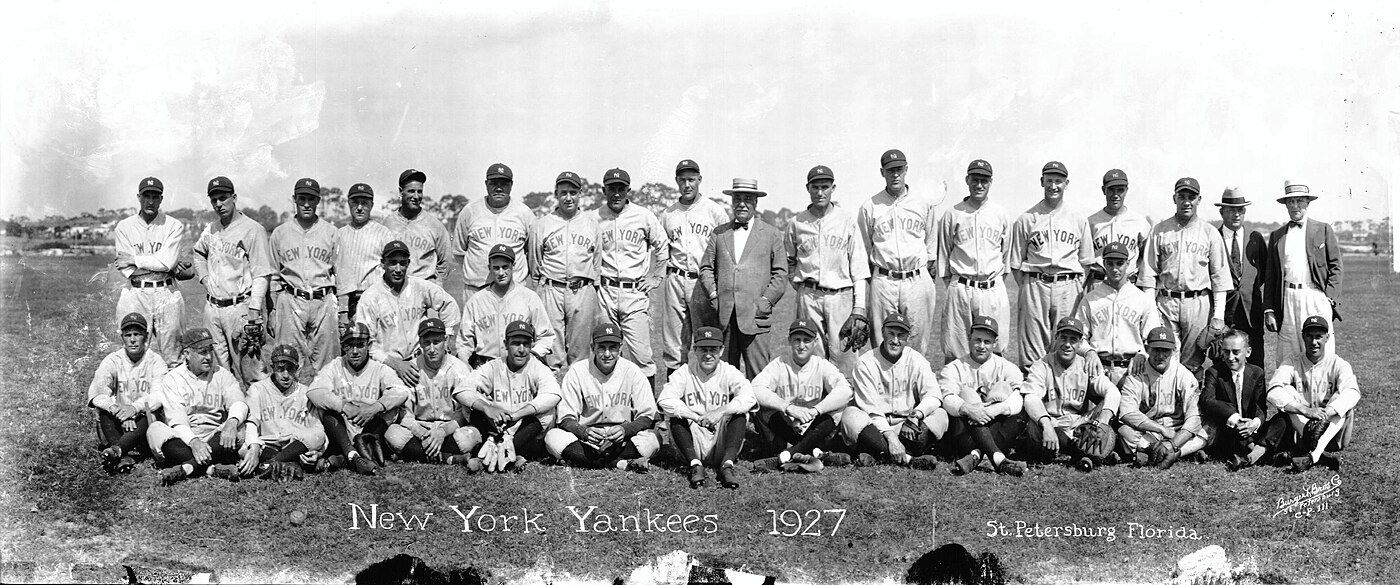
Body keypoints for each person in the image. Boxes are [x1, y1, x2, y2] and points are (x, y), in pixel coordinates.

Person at [1138, 177, 1231, 376]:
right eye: (1182, 196)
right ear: (1174, 198)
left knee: (1193, 362)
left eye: (1192, 196)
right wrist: (1150, 313)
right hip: (1166, 301)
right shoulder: (1160, 230)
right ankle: (1166, 406)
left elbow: (1220, 278)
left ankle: (1190, 405)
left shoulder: (1210, 232)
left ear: (1199, 199)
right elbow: (1148, 275)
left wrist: (1218, 316)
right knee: (1165, 356)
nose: (1187, 201)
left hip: (1198, 302)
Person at [1009, 161, 1095, 369]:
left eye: (1058, 181)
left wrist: (1072, 283)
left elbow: (1086, 262)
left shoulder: (1077, 218)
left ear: (1067, 183)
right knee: (1032, 348)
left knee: (1066, 341)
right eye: (1049, 181)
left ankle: (1062, 396)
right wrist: (1031, 284)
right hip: (1035, 284)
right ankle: (1033, 396)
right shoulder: (1026, 218)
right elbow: (1015, 263)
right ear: (1042, 182)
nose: (1053, 186)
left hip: (1068, 284)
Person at [785, 165, 870, 373]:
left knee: (844, 354)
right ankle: (816, 401)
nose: (820, 192)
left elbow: (858, 269)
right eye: (815, 187)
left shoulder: (847, 221)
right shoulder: (796, 223)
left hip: (840, 296)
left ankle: (846, 402)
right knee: (812, 354)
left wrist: (859, 308)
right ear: (808, 188)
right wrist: (803, 289)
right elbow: (790, 262)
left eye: (825, 186)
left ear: (833, 188)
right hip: (808, 296)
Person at [700, 178, 787, 378]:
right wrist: (714, 295)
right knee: (724, 375)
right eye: (737, 198)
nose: (742, 203)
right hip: (725, 318)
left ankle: (761, 410)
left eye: (747, 199)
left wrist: (766, 301)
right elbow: (706, 267)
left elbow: (781, 273)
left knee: (759, 375)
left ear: (755, 202)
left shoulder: (771, 234)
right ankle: (729, 410)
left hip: (756, 318)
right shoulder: (719, 233)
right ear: (731, 201)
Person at [192, 176, 275, 385]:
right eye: (214, 200)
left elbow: (262, 273)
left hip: (240, 308)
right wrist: (204, 278)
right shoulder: (211, 229)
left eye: (223, 198)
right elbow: (198, 253)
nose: (219, 204)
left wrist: (254, 310)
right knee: (218, 372)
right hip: (213, 308)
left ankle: (258, 416)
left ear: (234, 197)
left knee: (251, 370)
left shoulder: (253, 229)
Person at [546, 322, 660, 472]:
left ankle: (583, 460)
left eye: (612, 347)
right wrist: (583, 432)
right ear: (593, 348)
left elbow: (647, 416)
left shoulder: (632, 371)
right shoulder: (577, 371)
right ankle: (620, 463)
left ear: (620, 348)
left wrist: (626, 430)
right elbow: (566, 418)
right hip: (587, 440)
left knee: (653, 439)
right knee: (552, 437)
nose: (607, 354)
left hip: (621, 439)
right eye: (602, 347)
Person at [857, 149, 939, 355]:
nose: (895, 174)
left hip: (916, 278)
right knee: (882, 340)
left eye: (899, 170)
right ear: (882, 172)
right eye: (890, 170)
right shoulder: (870, 206)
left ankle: (914, 383)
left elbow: (931, 248)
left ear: (906, 170)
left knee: (917, 342)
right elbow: (865, 250)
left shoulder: (923, 203)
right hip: (884, 279)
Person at [452, 320, 563, 472]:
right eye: (516, 343)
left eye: (526, 344)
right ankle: (510, 455)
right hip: (496, 426)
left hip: (524, 429)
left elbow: (553, 394)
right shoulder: (494, 366)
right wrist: (487, 408)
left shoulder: (538, 367)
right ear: (505, 344)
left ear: (532, 345)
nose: (522, 349)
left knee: (547, 413)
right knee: (470, 404)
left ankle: (488, 455)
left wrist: (518, 414)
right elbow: (462, 390)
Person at [595, 168, 669, 388]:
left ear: (628, 190)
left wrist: (656, 276)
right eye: (611, 189)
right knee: (606, 351)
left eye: (621, 189)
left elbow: (662, 246)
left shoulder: (643, 215)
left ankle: (647, 410)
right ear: (604, 190)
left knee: (641, 355)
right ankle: (610, 405)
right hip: (605, 292)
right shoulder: (594, 217)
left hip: (634, 292)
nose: (616, 193)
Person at [145, 328, 248, 485]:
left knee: (239, 427)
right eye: (202, 352)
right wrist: (194, 442)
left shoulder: (222, 374)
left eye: (210, 351)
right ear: (187, 354)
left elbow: (238, 402)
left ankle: (187, 468)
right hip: (185, 440)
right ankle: (212, 468)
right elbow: (177, 422)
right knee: (155, 430)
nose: (208, 357)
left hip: (216, 436)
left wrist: (232, 423)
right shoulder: (173, 379)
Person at [840, 313, 944, 469]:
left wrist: (916, 415)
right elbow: (870, 409)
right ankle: (909, 459)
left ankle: (877, 453)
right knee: (850, 416)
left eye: (901, 335)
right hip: (875, 427)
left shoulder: (917, 360)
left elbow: (934, 395)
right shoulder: (866, 362)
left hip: (906, 425)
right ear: (882, 332)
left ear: (907, 338)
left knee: (941, 415)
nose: (895, 340)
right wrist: (891, 439)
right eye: (891, 334)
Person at [750, 319, 855, 473]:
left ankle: (787, 455)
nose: (801, 345)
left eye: (807, 340)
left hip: (813, 425)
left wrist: (816, 410)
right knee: (760, 407)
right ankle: (816, 453)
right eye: (797, 340)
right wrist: (788, 407)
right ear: (789, 341)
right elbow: (756, 388)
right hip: (786, 424)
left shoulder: (821, 364)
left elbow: (846, 390)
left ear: (815, 342)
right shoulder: (779, 363)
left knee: (838, 409)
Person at [658, 327, 757, 489]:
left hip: (721, 438)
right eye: (703, 349)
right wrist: (694, 416)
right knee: (676, 415)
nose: (708, 354)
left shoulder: (729, 371)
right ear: (695, 350)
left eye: (713, 349)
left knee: (739, 413)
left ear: (721, 350)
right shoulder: (684, 372)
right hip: (693, 439)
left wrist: (721, 411)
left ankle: (727, 464)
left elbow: (749, 397)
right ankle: (695, 465)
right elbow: (665, 399)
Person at [306, 323, 411, 476]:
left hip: (369, 429)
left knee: (392, 408)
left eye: (360, 345)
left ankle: (346, 457)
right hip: (342, 430)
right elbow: (313, 391)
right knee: (325, 409)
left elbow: (401, 391)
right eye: (350, 346)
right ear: (343, 347)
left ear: (369, 345)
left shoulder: (379, 368)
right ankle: (352, 454)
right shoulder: (335, 366)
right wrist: (343, 406)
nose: (355, 351)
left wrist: (375, 407)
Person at [1021, 317, 1120, 472]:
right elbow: (1030, 398)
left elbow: (1113, 391)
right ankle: (1083, 453)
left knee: (1107, 404)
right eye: (1063, 338)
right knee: (1034, 425)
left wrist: (1104, 419)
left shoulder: (1086, 365)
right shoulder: (1042, 365)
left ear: (1080, 343)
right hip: (1052, 424)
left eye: (1073, 339)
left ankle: (1076, 450)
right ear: (1055, 338)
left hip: (1079, 425)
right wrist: (1046, 424)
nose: (1067, 344)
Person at [937, 159, 1011, 364]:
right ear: (967, 180)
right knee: (955, 350)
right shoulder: (952, 214)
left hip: (992, 288)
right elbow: (944, 257)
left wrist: (991, 282)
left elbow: (1006, 257)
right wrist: (959, 285)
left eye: (984, 180)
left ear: (991, 182)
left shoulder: (1001, 214)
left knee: (993, 348)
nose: (979, 185)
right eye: (975, 179)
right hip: (961, 287)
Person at [355, 240, 460, 386]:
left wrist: (447, 337)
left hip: (420, 362)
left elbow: (448, 304)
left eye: (402, 263)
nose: (398, 269)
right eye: (392, 262)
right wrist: (396, 364)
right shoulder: (370, 297)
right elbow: (366, 343)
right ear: (382, 263)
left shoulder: (419, 286)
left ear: (408, 264)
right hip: (387, 366)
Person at [660, 159, 729, 378]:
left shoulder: (714, 211)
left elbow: (726, 250)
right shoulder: (668, 214)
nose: (687, 185)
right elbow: (662, 250)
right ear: (676, 182)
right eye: (682, 180)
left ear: (700, 180)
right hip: (675, 278)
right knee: (674, 343)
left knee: (707, 338)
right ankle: (674, 398)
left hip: (703, 282)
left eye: (691, 179)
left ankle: (708, 392)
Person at [527, 171, 602, 369]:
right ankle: (554, 397)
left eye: (573, 192)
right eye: (563, 193)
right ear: (556, 194)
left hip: (582, 289)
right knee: (552, 349)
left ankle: (577, 397)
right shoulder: (542, 224)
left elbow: (596, 262)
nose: (568, 198)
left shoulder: (591, 223)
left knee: (581, 353)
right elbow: (535, 264)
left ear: (580, 194)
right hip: (551, 289)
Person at [1262, 181, 1343, 363]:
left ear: (1307, 203)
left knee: (1320, 350)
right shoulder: (1277, 235)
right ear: (1286, 205)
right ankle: (1288, 391)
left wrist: (1329, 297)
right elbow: (1271, 276)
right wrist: (1269, 309)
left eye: (1299, 201)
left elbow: (1336, 266)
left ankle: (1322, 390)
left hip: (1315, 296)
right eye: (1291, 202)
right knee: (1288, 353)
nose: (1295, 206)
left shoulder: (1322, 229)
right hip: (1287, 299)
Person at [1264, 316, 1357, 473]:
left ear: (1327, 337)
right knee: (1287, 390)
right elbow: (1273, 390)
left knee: (1342, 398)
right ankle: (1316, 456)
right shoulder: (1293, 361)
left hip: (1332, 434)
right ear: (1303, 337)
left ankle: (1315, 453)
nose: (1314, 342)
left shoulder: (1338, 363)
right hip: (1303, 431)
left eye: (1318, 337)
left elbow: (1353, 392)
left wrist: (1327, 412)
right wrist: (1304, 409)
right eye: (1309, 336)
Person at [269, 178, 342, 379]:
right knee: (287, 361)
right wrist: (273, 309)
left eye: (311, 199)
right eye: (302, 199)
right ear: (294, 199)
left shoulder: (331, 232)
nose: (307, 204)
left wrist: (342, 310)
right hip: (291, 300)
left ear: (318, 200)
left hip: (323, 300)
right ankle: (291, 407)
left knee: (329, 364)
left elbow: (341, 275)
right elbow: (274, 275)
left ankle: (327, 408)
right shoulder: (280, 233)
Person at [938, 316, 1028, 476]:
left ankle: (976, 455)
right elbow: (947, 399)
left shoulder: (1006, 366)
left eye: (987, 342)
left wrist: (994, 410)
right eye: (977, 340)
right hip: (964, 435)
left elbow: (1018, 399)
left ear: (995, 343)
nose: (981, 346)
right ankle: (998, 458)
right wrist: (969, 409)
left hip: (999, 430)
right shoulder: (954, 367)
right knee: (966, 395)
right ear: (969, 339)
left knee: (1004, 390)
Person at [383, 318, 478, 467]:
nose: (432, 349)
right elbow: (404, 412)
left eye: (436, 342)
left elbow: (464, 412)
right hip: (419, 427)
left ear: (445, 341)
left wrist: (443, 432)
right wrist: (421, 433)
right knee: (393, 434)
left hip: (449, 429)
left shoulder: (459, 368)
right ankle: (448, 457)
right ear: (420, 343)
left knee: (470, 437)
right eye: (427, 343)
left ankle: (416, 454)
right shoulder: (411, 368)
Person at [113, 177, 186, 366]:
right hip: (135, 292)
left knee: (173, 354)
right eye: (146, 196)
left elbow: (168, 263)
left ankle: (174, 394)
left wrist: (135, 259)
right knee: (134, 351)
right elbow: (126, 269)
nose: (150, 201)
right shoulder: (124, 227)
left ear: (161, 199)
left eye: (155, 196)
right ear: (139, 197)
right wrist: (158, 263)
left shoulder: (173, 225)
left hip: (166, 293)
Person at [1116, 326, 1207, 469]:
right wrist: (1160, 429)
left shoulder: (1183, 374)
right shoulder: (1137, 373)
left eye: (1165, 350)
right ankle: (1175, 451)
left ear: (1173, 351)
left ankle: (1169, 452)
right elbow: (1127, 413)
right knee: (1124, 432)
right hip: (1151, 430)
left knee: (1210, 429)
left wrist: (1174, 442)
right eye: (1156, 349)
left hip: (1178, 429)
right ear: (1147, 349)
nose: (1161, 355)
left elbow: (1194, 417)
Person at [89, 313, 168, 474]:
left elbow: (159, 395)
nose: (132, 339)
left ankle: (117, 450)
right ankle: (122, 454)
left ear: (146, 336)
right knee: (104, 411)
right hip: (119, 421)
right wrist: (116, 409)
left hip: (143, 424)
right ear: (122, 338)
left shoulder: (156, 360)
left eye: (137, 334)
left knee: (150, 413)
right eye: (128, 335)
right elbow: (96, 393)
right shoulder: (113, 360)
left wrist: (134, 409)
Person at [237, 344, 328, 481]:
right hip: (265, 447)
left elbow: (318, 431)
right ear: (272, 367)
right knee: (242, 442)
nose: (285, 375)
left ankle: (270, 464)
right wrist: (254, 449)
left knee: (317, 435)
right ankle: (289, 463)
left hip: (295, 446)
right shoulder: (258, 389)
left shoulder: (305, 392)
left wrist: (319, 453)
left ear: (297, 370)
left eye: (290, 369)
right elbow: (251, 423)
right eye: (280, 369)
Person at [457, 244, 554, 368]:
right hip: (485, 365)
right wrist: (465, 365)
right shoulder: (476, 301)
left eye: (505, 267)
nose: (501, 273)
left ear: (513, 267)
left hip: (521, 365)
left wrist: (533, 356)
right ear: (489, 268)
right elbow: (464, 343)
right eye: (496, 268)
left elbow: (546, 336)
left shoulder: (529, 297)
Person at [1078, 242, 1161, 386]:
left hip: (1133, 370)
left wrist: (1142, 354)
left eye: (1119, 263)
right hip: (1099, 369)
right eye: (1110, 264)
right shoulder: (1090, 299)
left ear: (1127, 264)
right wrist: (1088, 352)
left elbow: (1153, 339)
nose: (1115, 269)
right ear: (1104, 264)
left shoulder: (1141, 299)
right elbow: (1078, 337)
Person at [451, 163, 535, 298]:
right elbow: (459, 251)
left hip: (514, 291)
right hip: (476, 289)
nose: (499, 188)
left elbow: (532, 253)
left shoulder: (524, 213)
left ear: (511, 185)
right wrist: (476, 272)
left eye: (504, 183)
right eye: (494, 183)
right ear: (486, 184)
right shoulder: (470, 211)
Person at [1198, 330, 1268, 471]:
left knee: (1280, 421)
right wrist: (1235, 418)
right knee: (1227, 413)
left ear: (1248, 352)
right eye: (1226, 352)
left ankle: (1253, 451)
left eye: (1236, 352)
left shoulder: (1257, 373)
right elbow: (1206, 400)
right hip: (1227, 428)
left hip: (1250, 428)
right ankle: (1254, 451)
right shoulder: (1214, 372)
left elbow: (1261, 407)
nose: (1230, 357)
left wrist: (1254, 423)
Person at [1214, 188, 1266, 368]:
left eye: (1240, 210)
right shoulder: (1213, 236)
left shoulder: (1255, 238)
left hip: (1251, 313)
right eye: (1231, 210)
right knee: (1223, 364)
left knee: (1255, 364)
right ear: (1222, 212)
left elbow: (1264, 272)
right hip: (1223, 313)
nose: (1236, 214)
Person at [335, 183, 395, 323]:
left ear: (372, 205)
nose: (360, 208)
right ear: (348, 203)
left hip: (374, 299)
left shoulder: (383, 233)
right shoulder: (339, 234)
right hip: (346, 302)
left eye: (364, 203)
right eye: (355, 203)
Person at [382, 169, 451, 283]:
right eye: (411, 191)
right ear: (400, 192)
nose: (416, 196)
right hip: (394, 290)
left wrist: (434, 287)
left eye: (419, 191)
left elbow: (445, 263)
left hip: (424, 290)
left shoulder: (435, 226)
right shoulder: (388, 223)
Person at [1087, 169, 1152, 281]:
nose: (1116, 195)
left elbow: (1146, 258)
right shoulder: (1091, 222)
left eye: (1120, 190)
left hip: (1128, 282)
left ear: (1126, 190)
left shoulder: (1139, 221)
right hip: (1099, 281)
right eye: (1111, 190)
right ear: (1104, 190)